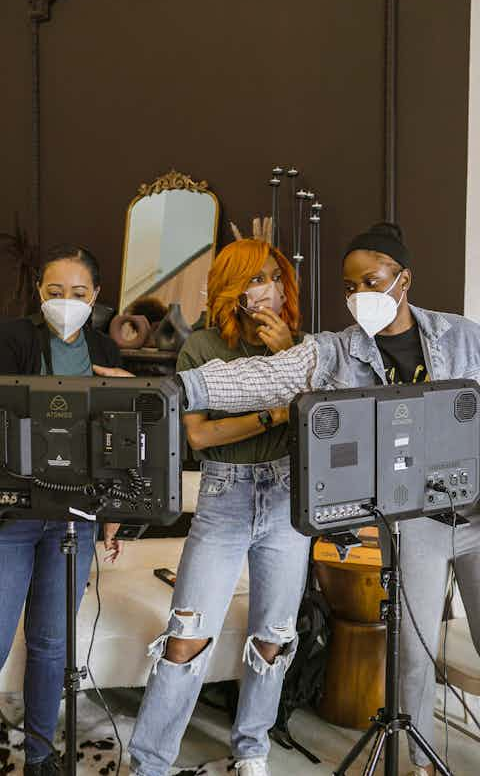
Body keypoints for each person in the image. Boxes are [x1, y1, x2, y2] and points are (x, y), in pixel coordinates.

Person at [176, 223, 480, 776]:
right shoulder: (334, 351)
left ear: (403, 279)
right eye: (349, 285)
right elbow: (260, 378)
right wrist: (183, 389)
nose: (359, 293)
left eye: (372, 280)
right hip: (417, 523)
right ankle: (423, 765)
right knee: (412, 652)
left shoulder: (462, 337)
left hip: (477, 511)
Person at [128, 239, 311, 776]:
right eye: (254, 279)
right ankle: (150, 762)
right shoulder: (202, 348)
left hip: (285, 498)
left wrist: (285, 359)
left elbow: (322, 419)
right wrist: (276, 413)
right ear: (232, 289)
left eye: (274, 277)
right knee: (186, 636)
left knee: (274, 638)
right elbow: (202, 437)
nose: (268, 289)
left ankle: (252, 748)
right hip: (224, 495)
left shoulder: (304, 348)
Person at [0, 245, 129, 775]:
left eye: (79, 293)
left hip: (77, 516)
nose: (66, 302)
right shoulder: (13, 338)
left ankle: (38, 754)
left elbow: (119, 436)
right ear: (40, 293)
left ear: (96, 296)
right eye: (55, 292)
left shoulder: (105, 348)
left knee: (52, 642)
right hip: (14, 515)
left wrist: (114, 513)